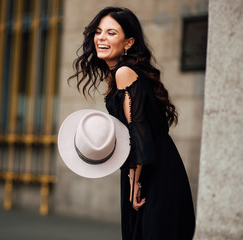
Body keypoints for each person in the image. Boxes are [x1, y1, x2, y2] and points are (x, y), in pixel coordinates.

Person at [68, 7, 196, 240]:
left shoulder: (124, 72)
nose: (101, 38)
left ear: (128, 42)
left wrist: (134, 182)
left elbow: (138, 130)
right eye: (98, 32)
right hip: (150, 166)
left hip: (152, 173)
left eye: (111, 33)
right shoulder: (122, 72)